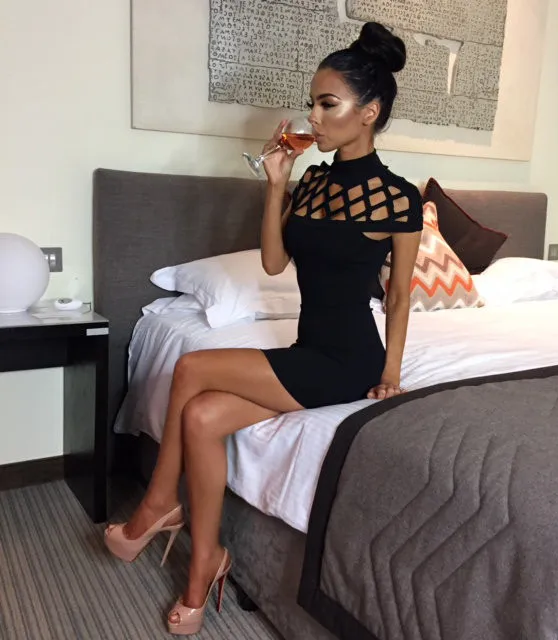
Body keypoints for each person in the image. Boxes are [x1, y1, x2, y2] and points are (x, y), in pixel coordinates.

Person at [104, 21, 422, 636]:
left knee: (193, 367)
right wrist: (276, 184)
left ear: (369, 113)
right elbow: (275, 263)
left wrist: (390, 373)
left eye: (328, 104)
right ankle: (206, 563)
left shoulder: (397, 198)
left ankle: (158, 506)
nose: (314, 117)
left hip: (350, 360)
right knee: (201, 416)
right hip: (309, 349)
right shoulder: (314, 182)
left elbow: (401, 294)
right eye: (313, 104)